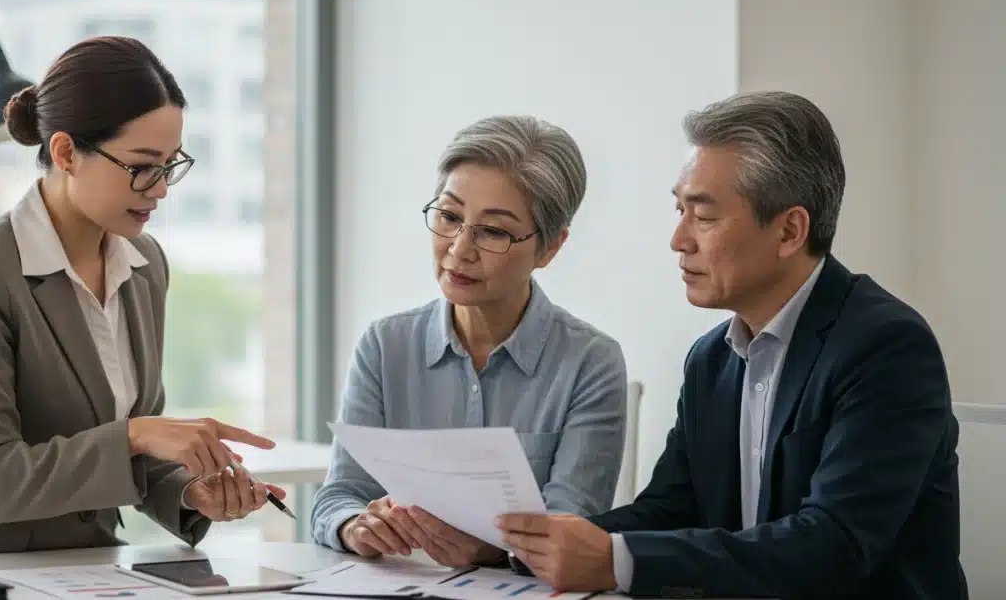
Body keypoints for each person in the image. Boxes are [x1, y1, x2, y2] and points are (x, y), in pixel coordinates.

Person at [497, 91, 967, 599]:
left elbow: (834, 545)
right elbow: (669, 510)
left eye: (703, 216)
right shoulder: (712, 358)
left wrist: (617, 562)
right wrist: (512, 548)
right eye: (679, 210)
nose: (678, 239)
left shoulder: (887, 346)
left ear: (789, 230)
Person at [0, 36, 285, 557]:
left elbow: (132, 445)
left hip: (85, 564)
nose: (161, 188)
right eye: (142, 165)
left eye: (171, 163)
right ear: (65, 152)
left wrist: (191, 491)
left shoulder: (144, 265)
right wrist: (135, 435)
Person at [311, 116, 628, 568]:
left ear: (550, 248)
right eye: (449, 217)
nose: (460, 249)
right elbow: (339, 495)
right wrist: (355, 526)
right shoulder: (384, 345)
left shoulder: (590, 362)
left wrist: (493, 550)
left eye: (494, 231)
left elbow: (572, 524)